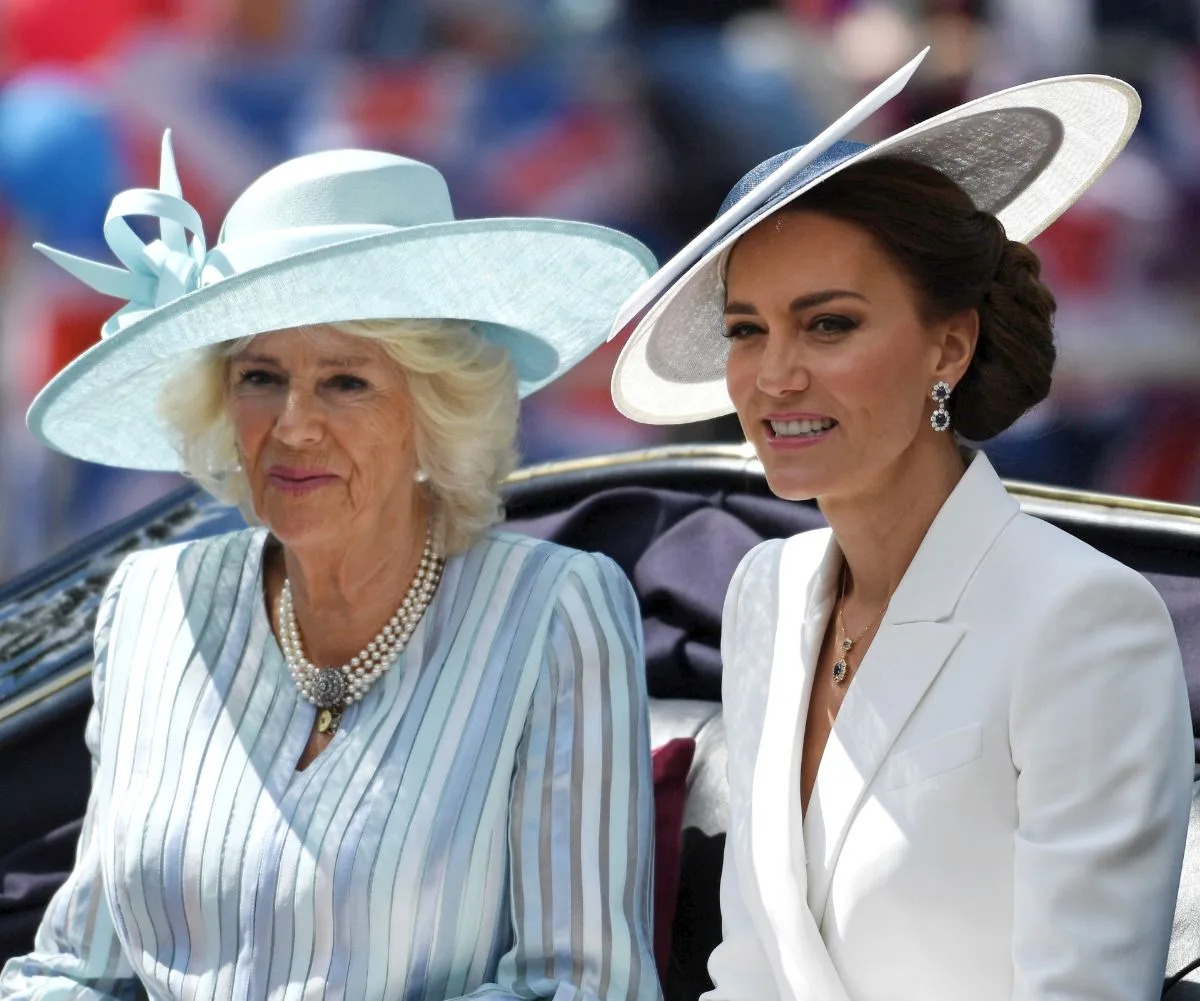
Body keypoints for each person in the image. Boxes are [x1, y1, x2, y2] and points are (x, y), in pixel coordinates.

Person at [0, 134, 662, 1001]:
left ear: (434, 408)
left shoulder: (555, 612)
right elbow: (72, 968)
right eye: (261, 377)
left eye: (346, 382)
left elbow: (583, 985)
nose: (294, 424)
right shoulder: (152, 605)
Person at [608, 57, 1194, 1001]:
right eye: (748, 330)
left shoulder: (1085, 620)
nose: (775, 376)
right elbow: (753, 968)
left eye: (828, 325)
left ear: (948, 345)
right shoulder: (768, 588)